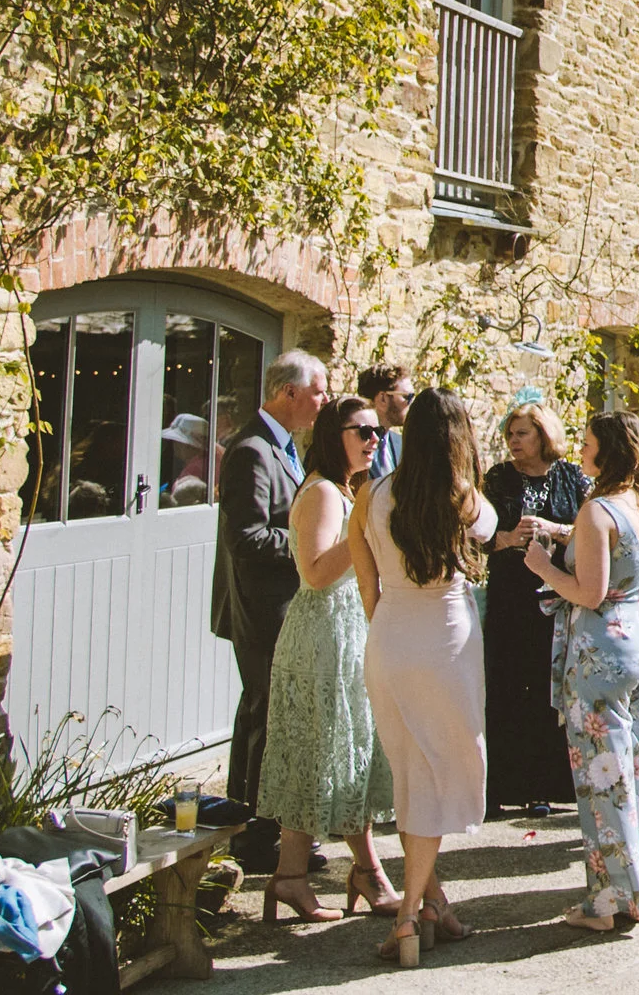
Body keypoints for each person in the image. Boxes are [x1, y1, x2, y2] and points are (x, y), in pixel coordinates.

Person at [352, 389, 496, 966]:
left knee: (411, 772)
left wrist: (389, 631)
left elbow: (367, 585)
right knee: (437, 775)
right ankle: (411, 913)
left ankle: (433, 904)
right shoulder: (464, 498)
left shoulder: (371, 493)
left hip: (390, 635)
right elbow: (488, 533)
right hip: (447, 638)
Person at [524, 412, 639, 931]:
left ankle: (609, 903)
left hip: (601, 651)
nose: (580, 453)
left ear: (605, 452)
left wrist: (545, 568)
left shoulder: (597, 510)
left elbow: (588, 591)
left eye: (586, 444)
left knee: (602, 776)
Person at [255, 395, 398, 922]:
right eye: (361, 431)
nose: (372, 440)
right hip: (321, 639)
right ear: (334, 435)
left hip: (346, 632)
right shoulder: (322, 493)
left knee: (340, 754)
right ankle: (349, 873)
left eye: (376, 432)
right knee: (325, 753)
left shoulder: (347, 491)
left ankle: (299, 876)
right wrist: (360, 523)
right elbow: (314, 573)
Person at [212, 349, 329, 873]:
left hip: (282, 607)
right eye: (318, 391)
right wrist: (310, 541)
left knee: (267, 717)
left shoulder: (285, 447)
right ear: (289, 393)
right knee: (266, 717)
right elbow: (245, 538)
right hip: (262, 611)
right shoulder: (252, 451)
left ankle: (263, 827)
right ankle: (255, 839)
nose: (322, 401)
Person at [480, 401, 584, 817]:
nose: (513, 441)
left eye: (522, 433)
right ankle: (504, 786)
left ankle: (546, 786)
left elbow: (592, 530)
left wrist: (553, 530)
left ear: (543, 434)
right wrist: (508, 538)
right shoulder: (499, 479)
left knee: (550, 689)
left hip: (558, 595)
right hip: (510, 595)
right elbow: (476, 534)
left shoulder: (570, 476)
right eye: (510, 434)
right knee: (506, 686)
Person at [360, 364, 414, 481]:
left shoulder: (402, 444)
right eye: (407, 396)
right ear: (382, 399)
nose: (411, 403)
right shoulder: (354, 444)